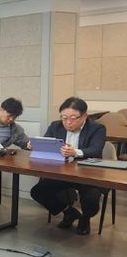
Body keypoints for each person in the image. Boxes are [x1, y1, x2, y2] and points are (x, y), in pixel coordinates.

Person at [30, 97, 106, 235]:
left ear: (84, 116)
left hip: (87, 172)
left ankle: (85, 219)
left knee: (91, 197)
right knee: (38, 192)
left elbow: (96, 149)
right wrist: (36, 145)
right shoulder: (55, 126)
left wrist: (75, 152)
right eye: (64, 118)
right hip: (62, 171)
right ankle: (69, 212)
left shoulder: (97, 128)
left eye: (73, 118)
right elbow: (47, 142)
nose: (68, 122)